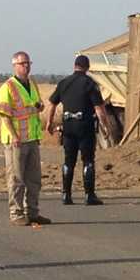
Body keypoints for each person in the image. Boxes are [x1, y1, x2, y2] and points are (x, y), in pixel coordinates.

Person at [45, 55, 109, 206]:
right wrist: (105, 126)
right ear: (87, 67)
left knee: (69, 161)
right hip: (85, 127)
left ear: (74, 66)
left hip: (68, 127)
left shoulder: (64, 83)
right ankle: (89, 195)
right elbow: (99, 108)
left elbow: (52, 104)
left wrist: (49, 123)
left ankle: (66, 195)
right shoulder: (90, 84)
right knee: (88, 160)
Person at [0, 51, 50, 226]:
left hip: (32, 137)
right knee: (16, 178)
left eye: (28, 63)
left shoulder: (32, 83)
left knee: (34, 179)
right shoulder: (8, 87)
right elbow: (4, 115)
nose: (26, 66)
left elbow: (36, 106)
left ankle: (32, 212)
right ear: (15, 66)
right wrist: (13, 135)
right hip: (16, 140)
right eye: (22, 63)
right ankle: (16, 212)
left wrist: (39, 107)